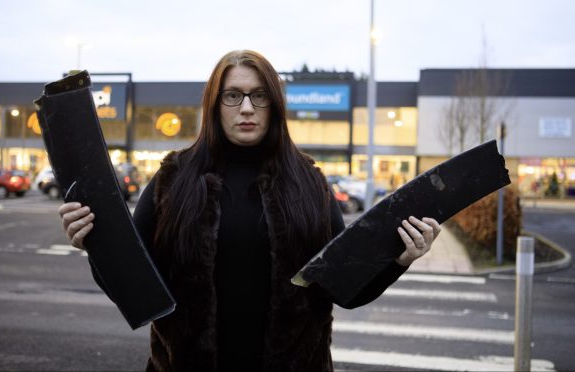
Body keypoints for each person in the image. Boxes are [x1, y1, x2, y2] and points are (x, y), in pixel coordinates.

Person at [58, 50, 441, 372]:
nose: (246, 108)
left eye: (259, 96)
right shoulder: (171, 181)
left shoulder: (310, 183)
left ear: (274, 105)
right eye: (233, 96)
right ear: (214, 103)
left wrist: (400, 258)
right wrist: (94, 242)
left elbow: (344, 285)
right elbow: (131, 284)